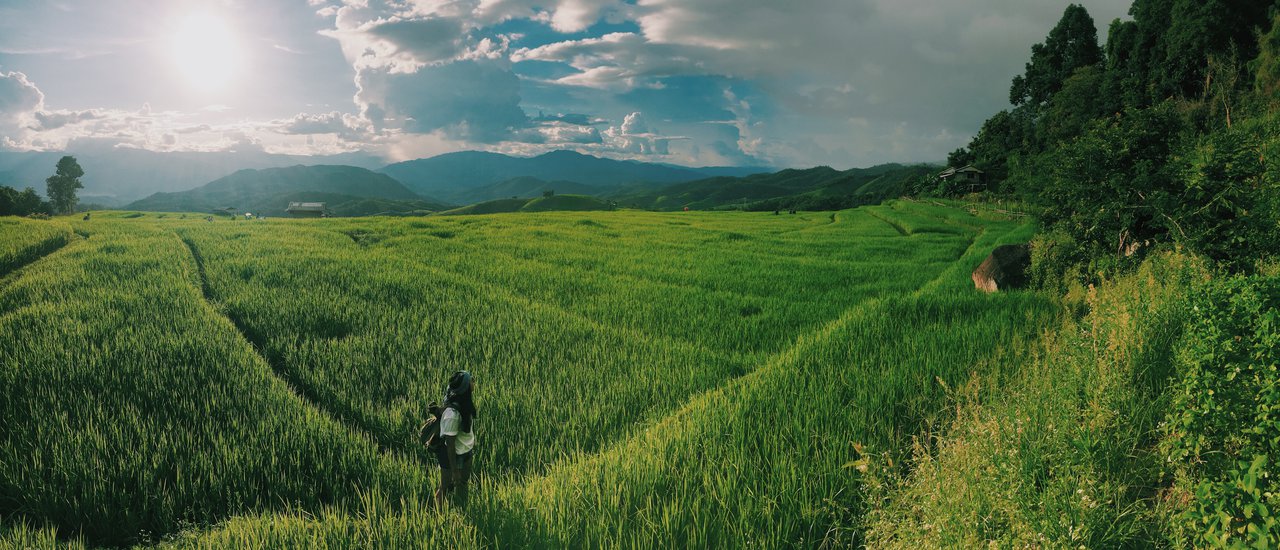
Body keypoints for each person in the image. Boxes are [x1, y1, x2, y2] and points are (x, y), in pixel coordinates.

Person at [435, 370, 477, 507]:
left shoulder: (465, 404)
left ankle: (463, 511)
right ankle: (438, 517)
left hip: (466, 450)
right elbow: (450, 444)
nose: (474, 381)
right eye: (471, 379)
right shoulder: (452, 414)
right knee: (445, 487)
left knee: (463, 483)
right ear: (465, 387)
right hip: (451, 455)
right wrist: (454, 470)